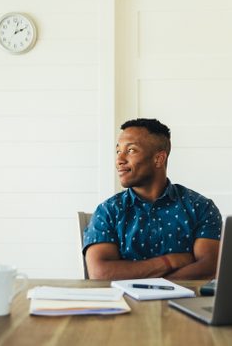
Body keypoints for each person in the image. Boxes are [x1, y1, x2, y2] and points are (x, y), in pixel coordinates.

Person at [83, 118, 222, 280]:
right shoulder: (108, 211)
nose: (119, 160)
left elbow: (210, 268)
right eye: (118, 151)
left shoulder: (200, 207)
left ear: (159, 159)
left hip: (181, 304)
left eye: (131, 150)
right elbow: (101, 273)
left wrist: (152, 284)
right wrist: (170, 261)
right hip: (125, 304)